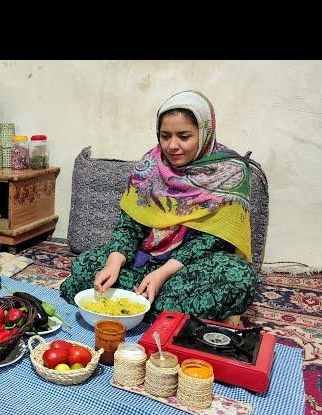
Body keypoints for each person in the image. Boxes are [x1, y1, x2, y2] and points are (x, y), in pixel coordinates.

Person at [60, 90, 256, 323]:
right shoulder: (149, 167)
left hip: (189, 267)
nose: (172, 145)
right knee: (85, 265)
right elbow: (129, 227)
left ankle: (137, 304)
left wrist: (162, 274)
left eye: (184, 136)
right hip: (145, 259)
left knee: (239, 277)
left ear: (204, 133)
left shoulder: (230, 172)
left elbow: (212, 241)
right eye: (165, 136)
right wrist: (114, 262)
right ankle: (163, 311)